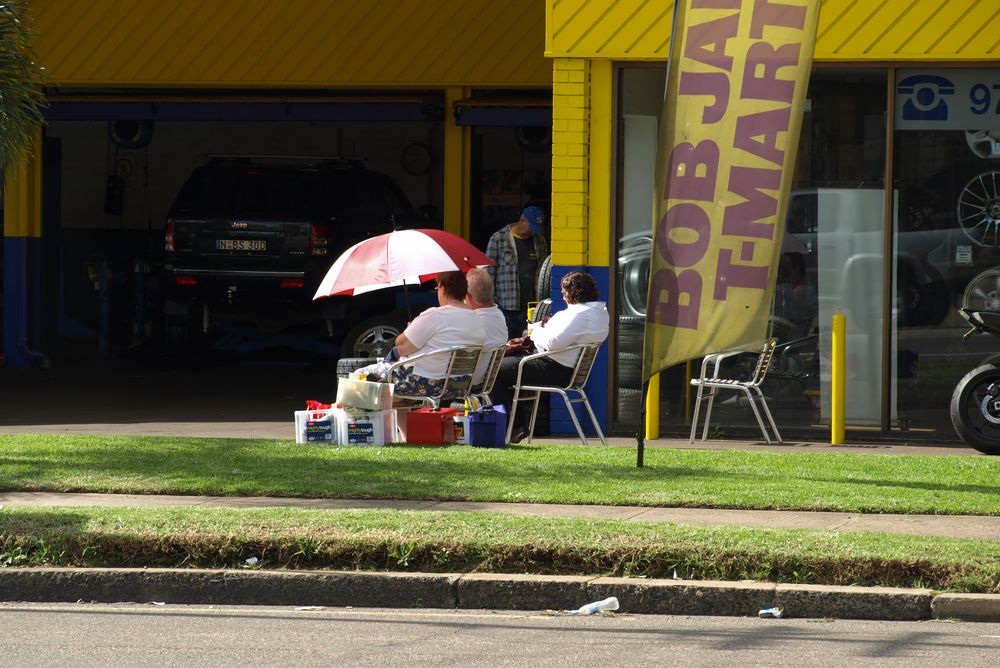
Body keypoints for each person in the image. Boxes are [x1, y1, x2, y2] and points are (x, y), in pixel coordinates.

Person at [489, 270, 609, 443]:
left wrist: (536, 332)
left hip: (555, 368)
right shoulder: (599, 313)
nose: (562, 294)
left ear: (571, 292)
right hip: (566, 368)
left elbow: (553, 342)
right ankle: (516, 427)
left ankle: (509, 428)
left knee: (495, 371)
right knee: (509, 368)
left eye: (564, 291)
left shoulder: (580, 315)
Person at [356, 271, 487, 401]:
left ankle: (365, 421)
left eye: (437, 288)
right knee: (396, 389)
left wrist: (409, 329)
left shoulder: (435, 316)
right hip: (458, 385)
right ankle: (400, 421)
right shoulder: (477, 321)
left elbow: (401, 347)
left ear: (442, 288)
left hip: (422, 383)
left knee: (359, 376)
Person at [485, 205, 550, 339]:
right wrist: (492, 301)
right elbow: (488, 272)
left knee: (529, 345)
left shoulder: (539, 240)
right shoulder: (499, 239)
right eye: (531, 228)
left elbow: (544, 270)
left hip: (532, 306)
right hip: (506, 306)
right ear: (522, 221)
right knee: (505, 346)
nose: (533, 232)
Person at [465, 267, 509, 388]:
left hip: (464, 382)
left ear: (468, 297)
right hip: (485, 380)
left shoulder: (472, 322)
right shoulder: (499, 315)